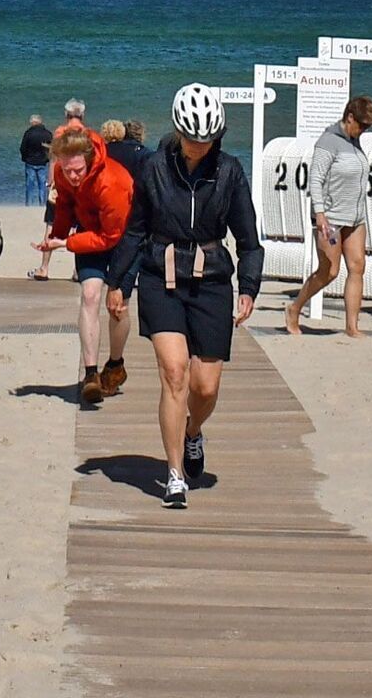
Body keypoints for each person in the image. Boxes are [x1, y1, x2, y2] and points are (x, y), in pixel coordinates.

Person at [129, 83, 260, 509]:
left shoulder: (230, 171)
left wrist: (250, 288)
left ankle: (192, 433)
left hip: (212, 282)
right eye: (192, 139)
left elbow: (248, 239)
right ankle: (173, 476)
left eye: (206, 140)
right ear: (178, 131)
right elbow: (134, 229)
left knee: (204, 387)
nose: (198, 147)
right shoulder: (153, 168)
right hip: (159, 276)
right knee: (175, 373)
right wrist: (117, 283)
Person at [43, 120, 136, 404]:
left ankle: (115, 364)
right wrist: (56, 235)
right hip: (90, 236)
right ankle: (91, 373)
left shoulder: (112, 182)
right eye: (67, 170)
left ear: (90, 160)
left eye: (78, 171)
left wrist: (67, 243)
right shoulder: (62, 171)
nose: (72, 176)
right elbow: (66, 205)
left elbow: (110, 237)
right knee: (90, 295)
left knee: (116, 306)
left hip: (124, 239)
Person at [285, 92, 372, 338]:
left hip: (356, 216)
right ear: (350, 117)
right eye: (362, 125)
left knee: (357, 266)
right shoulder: (328, 141)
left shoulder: (355, 142)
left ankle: (352, 327)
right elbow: (315, 179)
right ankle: (295, 308)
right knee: (329, 271)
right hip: (331, 218)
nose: (364, 131)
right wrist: (320, 215)